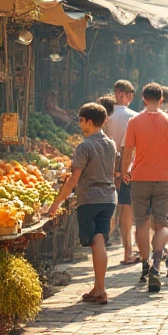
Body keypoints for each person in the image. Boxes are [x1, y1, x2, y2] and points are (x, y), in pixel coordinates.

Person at [47, 103, 116, 303]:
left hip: (90, 200)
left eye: (81, 120)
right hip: (108, 198)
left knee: (96, 241)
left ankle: (101, 288)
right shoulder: (110, 143)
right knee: (100, 241)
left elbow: (74, 178)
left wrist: (57, 202)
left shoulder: (85, 146)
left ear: (89, 121)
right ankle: (98, 286)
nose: (79, 124)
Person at [121, 83, 168, 292]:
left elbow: (128, 150)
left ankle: (145, 264)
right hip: (164, 179)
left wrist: (124, 172)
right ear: (162, 99)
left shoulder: (134, 122)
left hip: (139, 178)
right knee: (162, 223)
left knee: (141, 223)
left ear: (143, 98)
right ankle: (157, 265)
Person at [105, 80, 141, 265]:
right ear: (127, 95)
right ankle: (128, 251)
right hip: (128, 169)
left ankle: (102, 247)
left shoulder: (105, 116)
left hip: (106, 169)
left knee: (111, 209)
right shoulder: (135, 117)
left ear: (116, 93)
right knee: (127, 209)